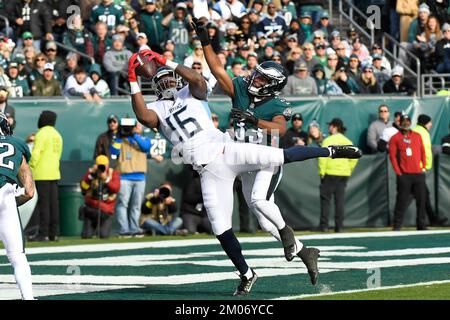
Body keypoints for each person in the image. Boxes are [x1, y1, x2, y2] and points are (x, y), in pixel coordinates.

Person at [128, 48, 361, 295]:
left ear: (176, 78)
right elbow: (143, 116)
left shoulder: (191, 91)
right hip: (208, 171)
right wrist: (132, 79)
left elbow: (196, 79)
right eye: (160, 79)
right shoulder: (155, 109)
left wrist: (164, 60)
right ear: (153, 85)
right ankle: (247, 273)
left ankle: (332, 151)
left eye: (169, 77)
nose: (166, 81)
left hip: (225, 150)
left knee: (279, 156)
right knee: (220, 227)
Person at [0, 112, 35, 300]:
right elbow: (29, 191)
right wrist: (12, 204)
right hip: (6, 195)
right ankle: (28, 297)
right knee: (17, 256)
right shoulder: (17, 144)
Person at [110, 119, 151, 238]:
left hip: (139, 177)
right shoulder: (120, 139)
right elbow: (113, 152)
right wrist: (119, 136)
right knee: (123, 204)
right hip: (124, 177)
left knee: (136, 205)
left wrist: (134, 135)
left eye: (136, 126)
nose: (134, 128)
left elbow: (146, 147)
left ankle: (134, 228)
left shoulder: (143, 139)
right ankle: (124, 230)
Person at [318, 118, 359, 232]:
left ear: (334, 127)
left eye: (330, 125)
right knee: (339, 201)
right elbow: (355, 157)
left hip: (330, 173)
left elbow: (322, 157)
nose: (329, 128)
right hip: (343, 174)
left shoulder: (328, 140)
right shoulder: (347, 141)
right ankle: (339, 226)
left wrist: (322, 172)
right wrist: (348, 169)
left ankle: (324, 226)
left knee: (325, 200)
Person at [389, 114, 427, 231]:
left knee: (421, 201)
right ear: (399, 123)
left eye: (408, 121)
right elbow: (393, 156)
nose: (406, 123)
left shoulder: (417, 135)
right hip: (404, 175)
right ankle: (397, 225)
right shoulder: (395, 138)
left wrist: (423, 166)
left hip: (418, 174)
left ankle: (421, 225)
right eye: (403, 121)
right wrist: (398, 172)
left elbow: (422, 151)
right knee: (401, 201)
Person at [29, 111, 63, 242]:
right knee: (54, 205)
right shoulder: (57, 135)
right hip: (54, 173)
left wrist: (29, 168)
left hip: (42, 174)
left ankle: (43, 234)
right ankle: (54, 233)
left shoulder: (41, 134)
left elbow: (36, 154)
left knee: (43, 205)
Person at [413, 114, 448, 226]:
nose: (431, 124)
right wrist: (422, 165)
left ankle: (433, 219)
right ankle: (428, 220)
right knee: (413, 197)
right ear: (425, 123)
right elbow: (420, 150)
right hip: (417, 169)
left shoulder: (420, 131)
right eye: (429, 122)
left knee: (424, 195)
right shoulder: (420, 132)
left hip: (420, 168)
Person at [79, 155, 120, 239]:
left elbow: (116, 189)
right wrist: (90, 176)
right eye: (100, 165)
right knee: (86, 236)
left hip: (106, 211)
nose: (102, 167)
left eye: (104, 165)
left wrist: (106, 180)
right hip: (92, 209)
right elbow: (83, 187)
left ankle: (101, 228)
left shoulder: (113, 174)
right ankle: (91, 228)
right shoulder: (91, 173)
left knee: (103, 235)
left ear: (107, 165)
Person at [180, 170, 213, 235]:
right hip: (190, 213)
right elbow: (188, 197)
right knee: (190, 231)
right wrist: (202, 196)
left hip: (203, 215)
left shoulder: (210, 184)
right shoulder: (194, 182)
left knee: (215, 230)